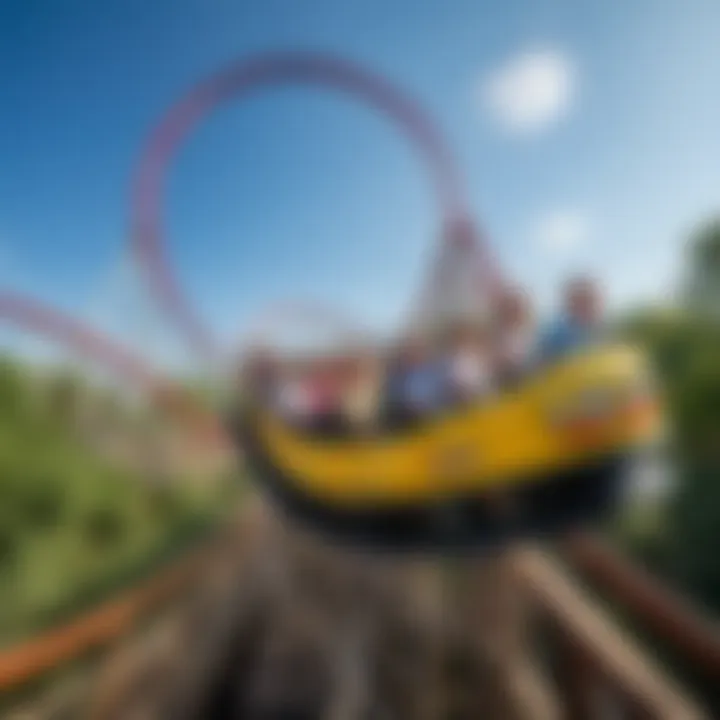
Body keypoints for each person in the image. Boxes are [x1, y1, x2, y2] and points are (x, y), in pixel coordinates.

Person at [382, 336, 443, 429]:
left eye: (417, 349)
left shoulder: (432, 373)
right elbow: (393, 401)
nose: (414, 353)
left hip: (431, 420)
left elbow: (439, 397)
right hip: (405, 422)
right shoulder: (396, 376)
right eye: (410, 350)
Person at [540, 276, 605, 362]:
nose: (584, 306)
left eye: (588, 301)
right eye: (580, 301)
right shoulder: (555, 336)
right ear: (569, 304)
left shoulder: (606, 332)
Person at [441, 321, 495, 406]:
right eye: (461, 336)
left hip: (489, 396)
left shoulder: (479, 353)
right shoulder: (453, 362)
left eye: (467, 335)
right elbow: (459, 386)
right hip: (471, 402)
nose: (466, 339)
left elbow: (489, 374)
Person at [493, 287, 538, 386]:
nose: (513, 311)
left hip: (533, 379)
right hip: (508, 382)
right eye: (509, 308)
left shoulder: (534, 331)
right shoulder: (496, 336)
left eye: (515, 307)